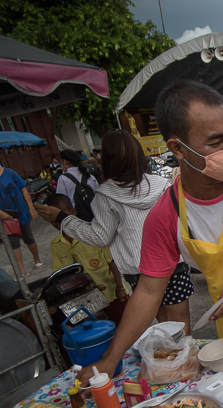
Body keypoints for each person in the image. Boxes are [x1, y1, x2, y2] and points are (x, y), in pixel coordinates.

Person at [75, 80, 223, 386]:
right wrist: (109, 360)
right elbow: (149, 291)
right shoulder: (166, 214)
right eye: (215, 142)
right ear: (177, 148)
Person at [35, 130, 193, 327]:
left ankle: (177, 356)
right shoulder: (162, 184)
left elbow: (100, 237)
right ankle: (187, 357)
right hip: (172, 264)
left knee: (165, 325)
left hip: (140, 271)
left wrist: (63, 219)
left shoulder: (105, 195)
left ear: (107, 159)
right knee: (182, 324)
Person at [44, 193, 126, 323]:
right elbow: (59, 274)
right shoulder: (56, 244)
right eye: (52, 219)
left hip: (110, 292)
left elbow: (111, 261)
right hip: (82, 299)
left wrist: (120, 287)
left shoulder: (92, 234)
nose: (57, 222)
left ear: (73, 212)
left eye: (60, 216)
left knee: (125, 326)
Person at [0, 146, 42, 276]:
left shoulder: (10, 172)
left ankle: (36, 258)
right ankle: (21, 269)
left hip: (20, 211)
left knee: (28, 237)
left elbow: (23, 189)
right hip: (3, 215)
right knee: (13, 242)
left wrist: (31, 208)